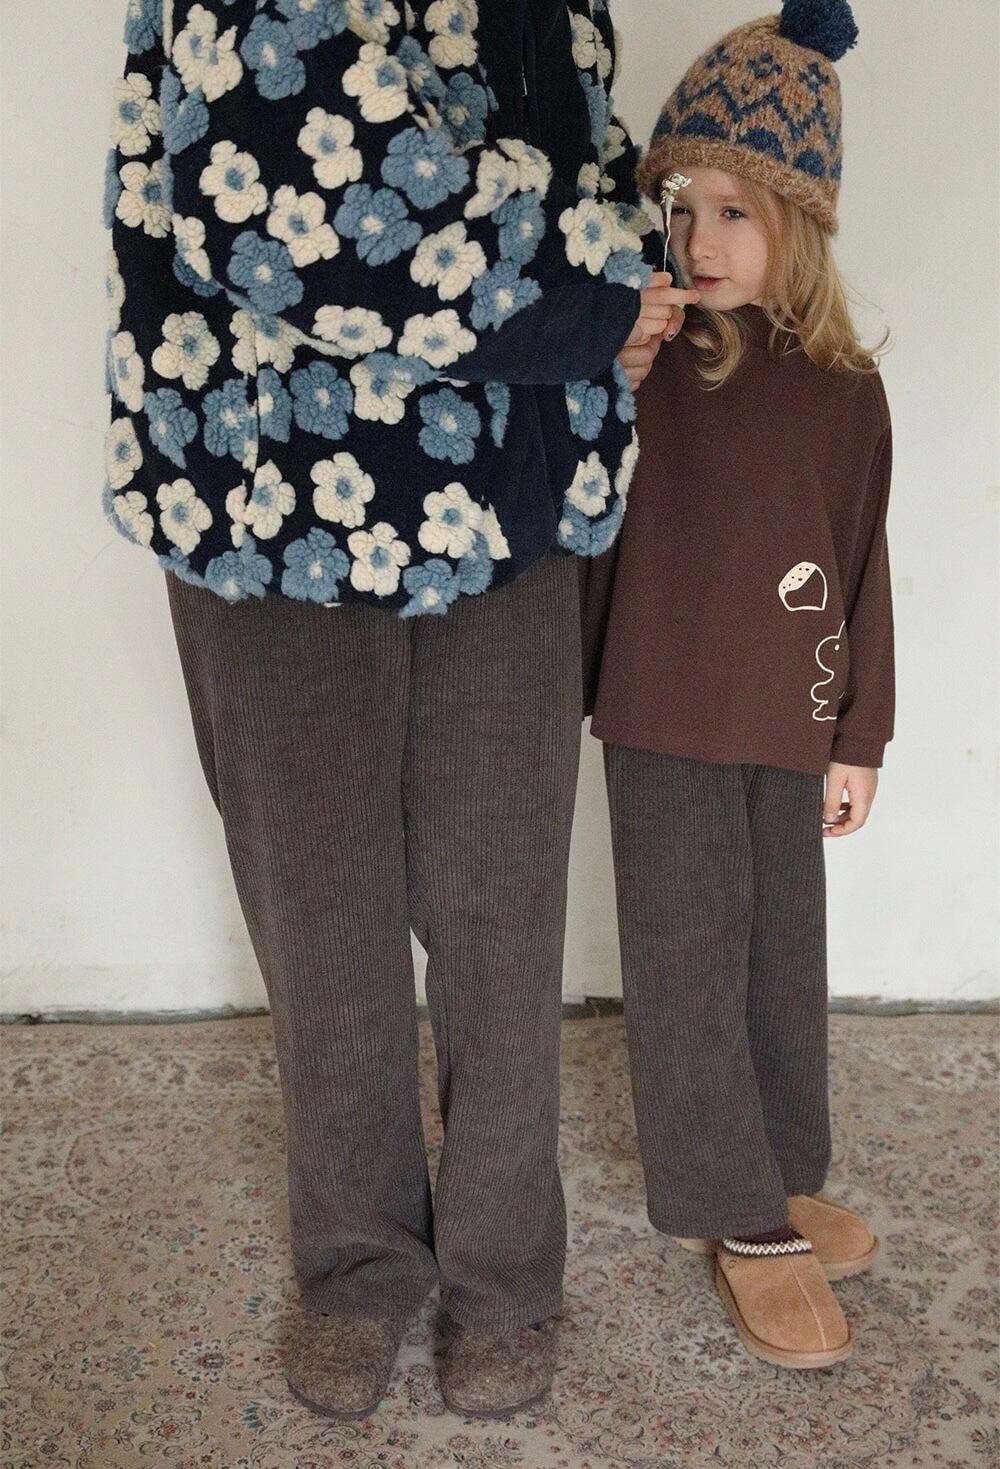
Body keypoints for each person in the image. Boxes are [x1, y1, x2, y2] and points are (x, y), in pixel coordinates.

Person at [103, 0, 692, 1420]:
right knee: (326, 916)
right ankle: (358, 1264)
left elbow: (576, 138)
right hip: (274, 502)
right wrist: (597, 304)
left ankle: (504, 1274)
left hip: (507, 498)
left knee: (503, 907)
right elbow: (291, 199)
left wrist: (626, 284)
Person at [582, 0, 893, 1369]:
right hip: (661, 710)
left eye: (733, 213)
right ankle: (733, 1209)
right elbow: (582, 517)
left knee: (780, 951)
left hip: (787, 715)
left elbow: (863, 563)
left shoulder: (845, 390)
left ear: (798, 225)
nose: (698, 240)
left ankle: (778, 1166)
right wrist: (611, 376)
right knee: (688, 959)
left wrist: (861, 735)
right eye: (683, 209)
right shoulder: (650, 369)